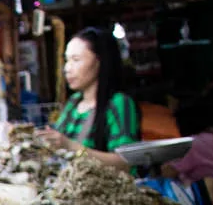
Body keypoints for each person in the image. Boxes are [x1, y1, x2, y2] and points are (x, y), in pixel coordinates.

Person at [42, 27, 140, 168]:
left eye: (76, 60)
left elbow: (125, 162)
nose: (67, 68)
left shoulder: (118, 103)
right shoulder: (73, 103)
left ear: (99, 61)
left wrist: (70, 146)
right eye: (66, 60)